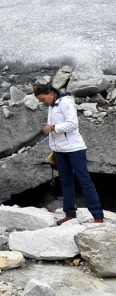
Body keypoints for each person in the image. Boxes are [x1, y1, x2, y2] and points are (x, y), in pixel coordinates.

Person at [34, 83, 104, 224]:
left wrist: (53, 128)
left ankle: (98, 216)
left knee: (85, 182)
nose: (43, 103)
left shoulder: (66, 103)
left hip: (74, 149)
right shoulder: (51, 106)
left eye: (43, 99)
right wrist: (53, 147)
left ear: (50, 93)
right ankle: (69, 213)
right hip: (60, 150)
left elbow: (73, 124)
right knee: (66, 182)